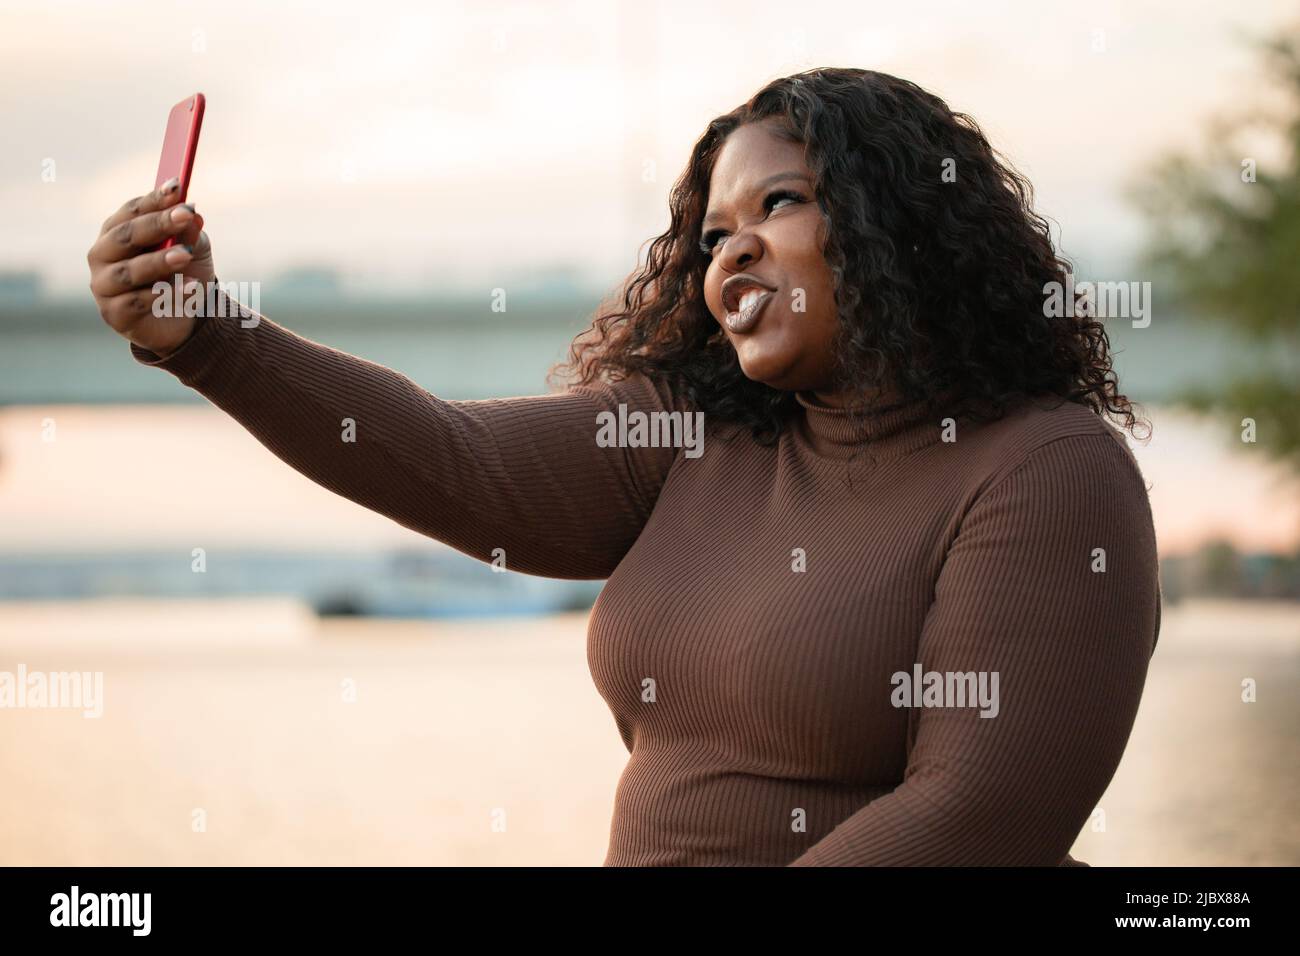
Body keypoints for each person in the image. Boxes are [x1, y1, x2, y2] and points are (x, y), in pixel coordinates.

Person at [86, 68, 1161, 866]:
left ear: (904, 224)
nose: (730, 252)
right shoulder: (692, 434)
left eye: (778, 204)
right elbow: (444, 456)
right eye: (709, 236)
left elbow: (974, 816)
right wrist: (205, 331)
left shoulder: (1048, 470)